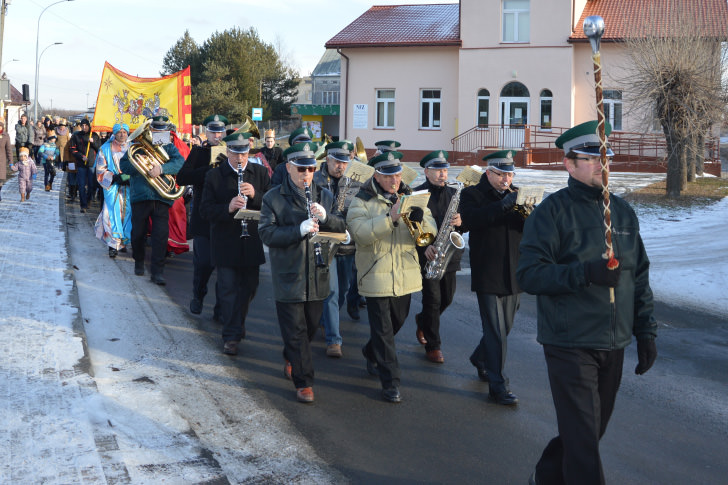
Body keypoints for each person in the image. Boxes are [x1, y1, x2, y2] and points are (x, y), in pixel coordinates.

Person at [517, 121, 657, 485]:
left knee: (589, 433)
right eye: (591, 157)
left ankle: (546, 476)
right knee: (583, 443)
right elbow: (530, 275)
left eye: (605, 156)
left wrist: (646, 332)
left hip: (614, 342)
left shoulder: (623, 213)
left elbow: (638, 276)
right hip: (570, 342)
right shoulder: (551, 213)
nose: (602, 164)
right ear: (569, 163)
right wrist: (586, 273)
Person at [259, 141, 345, 403]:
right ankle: (304, 382)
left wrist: (327, 218)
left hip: (317, 275)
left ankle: (291, 355)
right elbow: (266, 232)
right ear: (288, 168)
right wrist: (298, 230)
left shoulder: (325, 195)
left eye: (310, 169)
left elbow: (342, 227)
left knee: (308, 329)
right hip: (290, 276)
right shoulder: (273, 197)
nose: (306, 174)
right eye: (301, 169)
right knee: (296, 331)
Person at [347, 151, 436, 403]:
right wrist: (390, 218)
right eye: (388, 176)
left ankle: (370, 350)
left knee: (397, 321)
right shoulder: (361, 201)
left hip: (405, 274)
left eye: (397, 174)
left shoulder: (412, 197)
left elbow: (429, 229)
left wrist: (422, 222)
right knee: (384, 330)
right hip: (375, 273)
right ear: (377, 175)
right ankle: (391, 382)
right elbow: (361, 233)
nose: (395, 180)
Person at [459, 150, 524, 406]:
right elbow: (471, 220)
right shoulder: (472, 194)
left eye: (510, 174)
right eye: (502, 174)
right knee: (496, 332)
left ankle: (480, 357)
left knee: (504, 328)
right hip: (488, 270)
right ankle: (498, 386)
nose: (506, 179)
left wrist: (528, 212)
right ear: (489, 172)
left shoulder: (516, 194)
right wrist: (502, 206)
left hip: (514, 271)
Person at [198, 131, 270, 356]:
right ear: (227, 151)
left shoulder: (259, 172)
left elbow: (271, 204)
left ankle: (237, 323)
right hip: (225, 240)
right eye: (236, 153)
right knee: (228, 288)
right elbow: (204, 210)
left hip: (251, 241)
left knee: (249, 288)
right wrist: (227, 208)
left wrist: (256, 196)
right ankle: (230, 335)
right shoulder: (214, 176)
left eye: (245, 153)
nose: (240, 158)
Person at [119, 115, 185, 285]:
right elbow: (124, 166)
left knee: (160, 236)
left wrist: (162, 168)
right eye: (156, 130)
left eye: (162, 131)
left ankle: (158, 272)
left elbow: (180, 163)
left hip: (161, 197)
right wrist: (141, 164)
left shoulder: (169, 147)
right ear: (150, 131)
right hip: (140, 196)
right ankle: (139, 261)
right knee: (138, 234)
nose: (159, 133)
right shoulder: (137, 146)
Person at [412, 150, 464, 364]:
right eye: (437, 170)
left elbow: (462, 225)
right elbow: (412, 227)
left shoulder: (455, 194)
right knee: (432, 300)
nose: (443, 174)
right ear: (426, 172)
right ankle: (434, 346)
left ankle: (423, 321)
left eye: (445, 170)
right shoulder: (417, 195)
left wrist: (462, 222)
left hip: (449, 255)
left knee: (447, 298)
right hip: (429, 254)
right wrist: (423, 246)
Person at [312, 140, 362, 358]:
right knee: (331, 290)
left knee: (342, 290)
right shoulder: (315, 179)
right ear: (328, 160)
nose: (341, 166)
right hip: (323, 243)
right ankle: (334, 340)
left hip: (347, 245)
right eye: (337, 162)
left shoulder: (356, 182)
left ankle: (325, 320)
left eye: (345, 162)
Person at [177, 114, 227, 317]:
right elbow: (182, 178)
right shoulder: (198, 152)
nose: (216, 135)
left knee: (225, 267)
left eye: (219, 131)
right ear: (206, 132)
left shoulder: (231, 152)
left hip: (225, 216)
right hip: (203, 216)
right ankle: (198, 295)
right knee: (204, 263)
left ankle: (221, 307)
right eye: (213, 131)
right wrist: (209, 169)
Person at [94, 123, 131, 258]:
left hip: (129, 187)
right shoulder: (105, 149)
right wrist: (114, 177)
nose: (122, 134)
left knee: (127, 214)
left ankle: (123, 242)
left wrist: (130, 177)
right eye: (119, 132)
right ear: (114, 133)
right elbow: (100, 170)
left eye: (124, 132)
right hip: (112, 186)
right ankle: (112, 245)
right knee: (111, 214)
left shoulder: (133, 148)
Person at [69, 118, 100, 213]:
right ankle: (83, 205)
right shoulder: (76, 136)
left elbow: (99, 148)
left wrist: (93, 142)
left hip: (92, 163)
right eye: (82, 126)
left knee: (91, 185)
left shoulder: (94, 135)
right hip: (81, 163)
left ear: (89, 126)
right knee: (81, 185)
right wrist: (81, 156)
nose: (84, 127)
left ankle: (89, 199)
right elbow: (72, 149)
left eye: (86, 125)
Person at [0, 121, 12, 201]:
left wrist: (10, 161)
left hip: (1, 160)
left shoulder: (5, 136)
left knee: (0, 179)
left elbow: (9, 150)